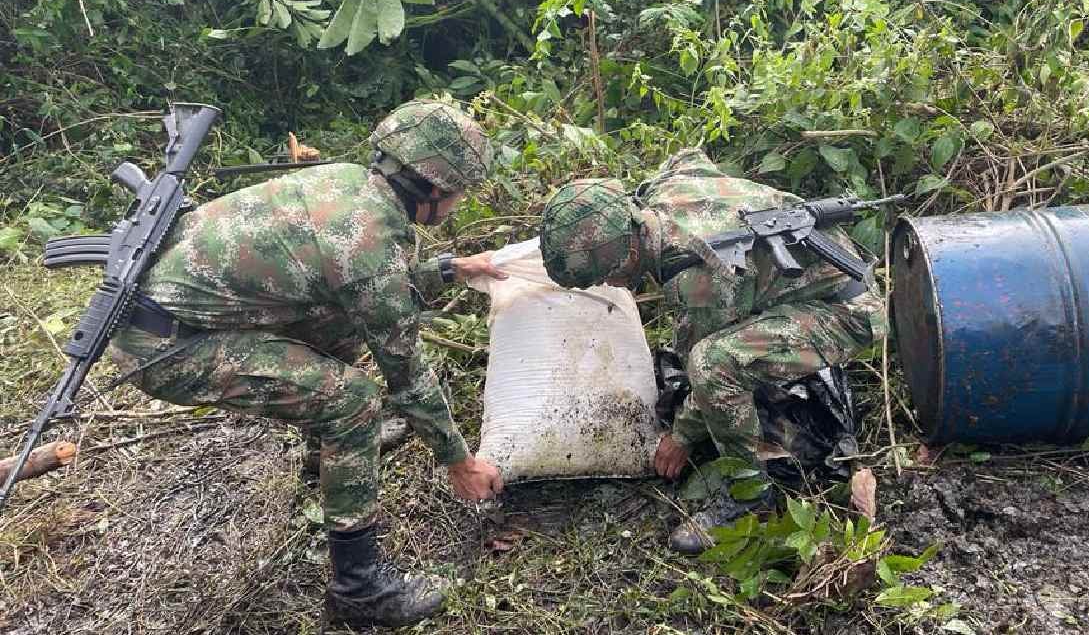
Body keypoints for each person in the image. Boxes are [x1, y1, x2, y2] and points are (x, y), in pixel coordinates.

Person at [109, 99, 505, 627]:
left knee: (338, 322)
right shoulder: (368, 243)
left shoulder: (351, 183)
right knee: (354, 402)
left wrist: (449, 269)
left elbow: (363, 281)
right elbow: (406, 372)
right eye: (458, 194)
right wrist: (461, 461)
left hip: (180, 311)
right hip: (165, 348)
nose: (457, 204)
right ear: (433, 189)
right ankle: (359, 590)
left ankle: (328, 456)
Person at [538, 149, 885, 554]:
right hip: (811, 283)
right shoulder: (664, 190)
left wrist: (682, 436)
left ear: (630, 255)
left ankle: (751, 498)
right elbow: (687, 156)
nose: (614, 284)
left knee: (710, 364)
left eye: (610, 275)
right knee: (703, 352)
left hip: (846, 312)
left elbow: (712, 373)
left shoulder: (696, 279)